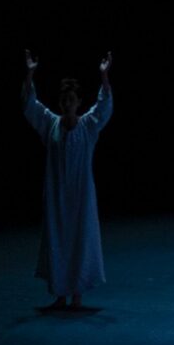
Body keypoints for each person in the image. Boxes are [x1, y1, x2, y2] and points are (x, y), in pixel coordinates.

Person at [23, 50, 111, 309]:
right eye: (64, 99)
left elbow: (104, 105)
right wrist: (30, 73)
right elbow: (29, 104)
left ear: (78, 102)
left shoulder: (88, 126)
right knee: (58, 241)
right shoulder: (50, 124)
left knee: (80, 241)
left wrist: (104, 75)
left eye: (71, 99)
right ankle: (60, 294)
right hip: (57, 196)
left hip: (81, 197)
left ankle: (77, 295)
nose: (67, 103)